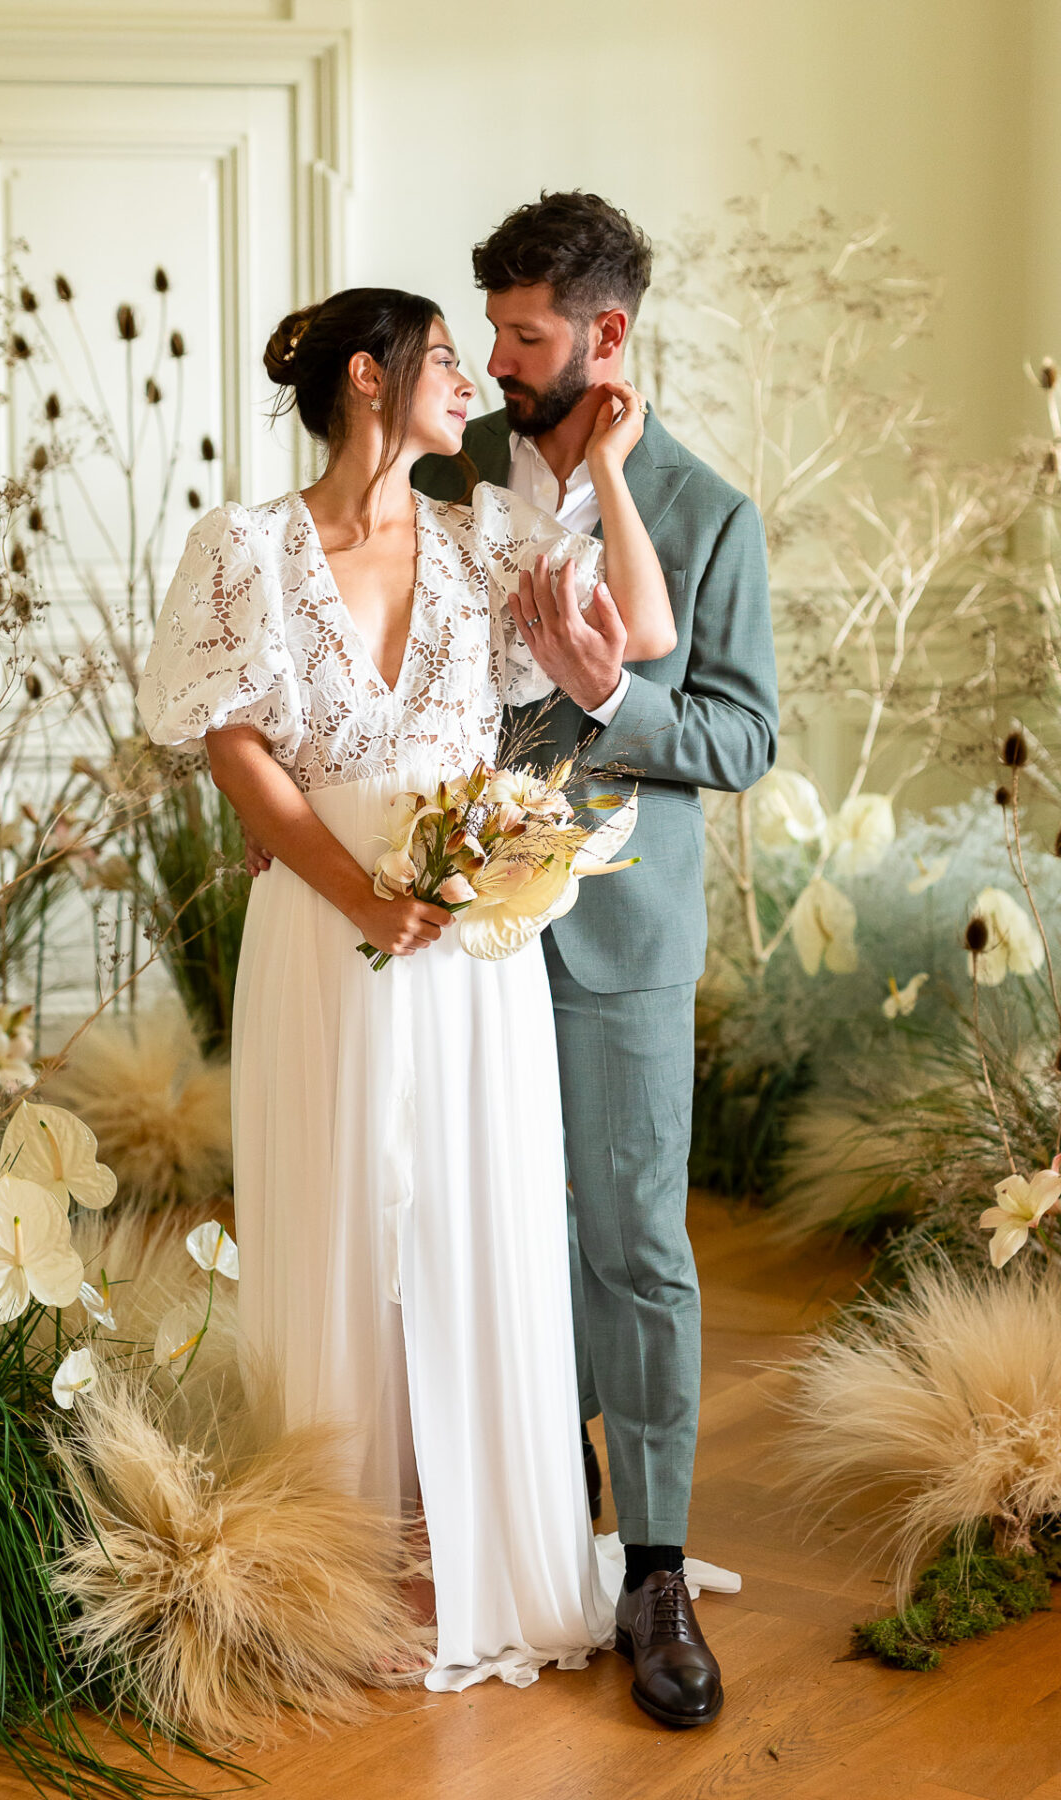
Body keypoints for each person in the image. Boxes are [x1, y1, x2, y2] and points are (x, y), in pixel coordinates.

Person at [134, 287, 676, 1694]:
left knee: (474, 1205)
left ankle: (488, 1535)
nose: (469, 385)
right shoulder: (245, 548)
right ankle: (329, 1553)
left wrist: (608, 470)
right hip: (322, 930)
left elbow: (645, 629)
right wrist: (360, 890)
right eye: (447, 360)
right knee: (331, 1208)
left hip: (467, 945)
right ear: (370, 380)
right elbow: (235, 745)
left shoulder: (481, 534)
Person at [414, 192, 779, 1729]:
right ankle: (520, 1516)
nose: (497, 358)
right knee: (484, 1221)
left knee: (633, 1245)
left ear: (606, 336)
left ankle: (657, 1573)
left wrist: (611, 702)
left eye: (526, 333)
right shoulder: (451, 477)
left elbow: (743, 737)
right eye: (490, 328)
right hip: (464, 928)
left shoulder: (706, 514)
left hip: (626, 935)